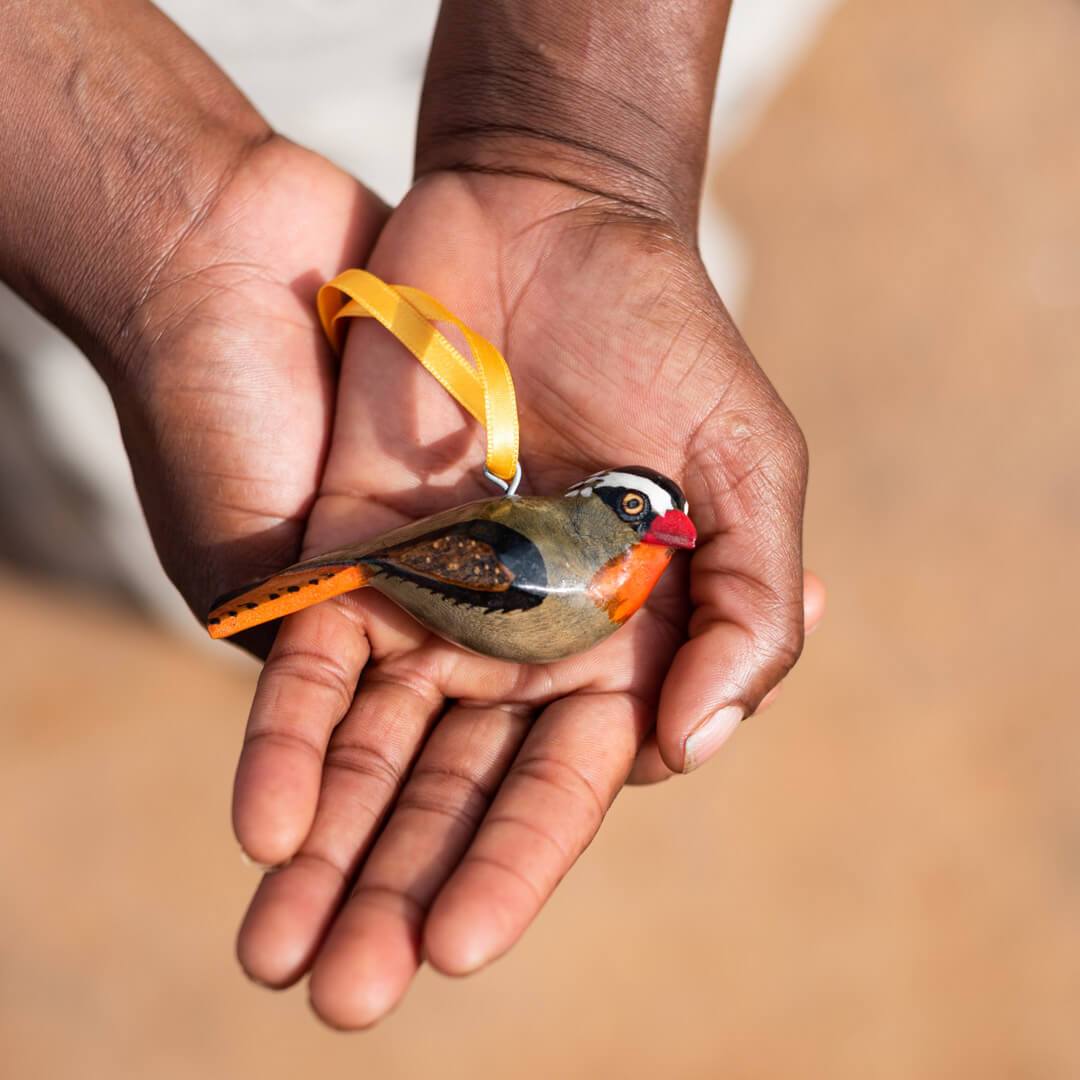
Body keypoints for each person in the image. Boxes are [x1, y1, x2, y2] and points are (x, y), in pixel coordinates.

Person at [1, 0, 824, 1029]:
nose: (662, 530)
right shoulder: (568, 571)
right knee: (93, 472)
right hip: (57, 120)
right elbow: (453, 562)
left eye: (655, 515)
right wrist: (159, 238)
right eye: (642, 508)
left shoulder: (597, 574)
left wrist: (590, 142)